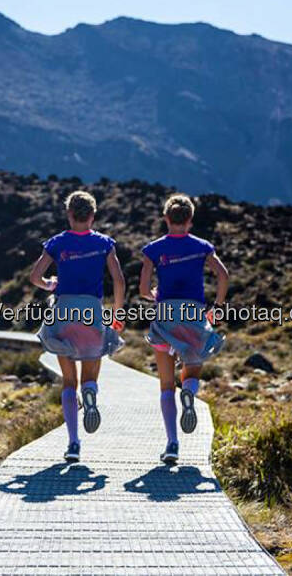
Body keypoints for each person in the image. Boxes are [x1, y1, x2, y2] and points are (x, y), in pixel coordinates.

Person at [30, 190, 125, 463]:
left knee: (68, 382)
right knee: (90, 376)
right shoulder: (105, 243)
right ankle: (91, 393)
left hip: (63, 311)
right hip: (92, 311)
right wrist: (117, 313)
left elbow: (35, 276)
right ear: (92, 216)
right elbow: (118, 281)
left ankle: (73, 444)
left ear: (69, 214)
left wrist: (50, 284)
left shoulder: (57, 242)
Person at [139, 193, 228, 464]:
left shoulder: (153, 249)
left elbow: (143, 289)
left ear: (166, 218)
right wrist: (217, 306)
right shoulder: (202, 246)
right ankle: (189, 391)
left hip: (165, 314)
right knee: (192, 366)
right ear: (190, 220)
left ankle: (172, 444)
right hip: (194, 313)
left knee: (166, 385)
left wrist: (154, 295)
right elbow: (223, 276)